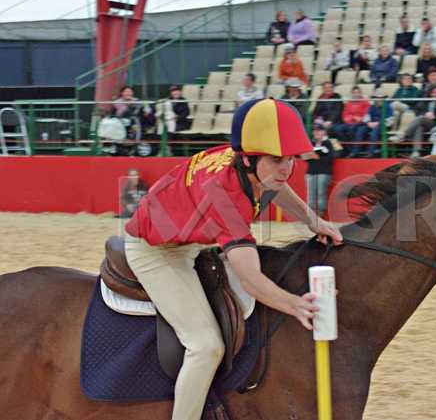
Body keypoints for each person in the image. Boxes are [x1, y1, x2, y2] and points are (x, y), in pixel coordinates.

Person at [123, 98, 343, 420]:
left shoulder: (246, 160)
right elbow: (251, 279)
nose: (287, 168)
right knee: (206, 346)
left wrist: (313, 221)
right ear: (249, 158)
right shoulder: (225, 197)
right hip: (155, 252)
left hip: (188, 240)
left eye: (291, 159)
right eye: (277, 159)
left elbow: (276, 185)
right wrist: (296, 305)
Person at [397, 85, 436, 158]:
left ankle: (404, 135)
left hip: (435, 123)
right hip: (424, 122)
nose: (435, 94)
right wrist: (425, 114)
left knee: (421, 118)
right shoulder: (425, 100)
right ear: (430, 93)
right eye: (433, 92)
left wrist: (435, 116)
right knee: (419, 127)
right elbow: (417, 111)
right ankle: (416, 152)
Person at [351, 90, 393, 158]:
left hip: (383, 125)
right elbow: (367, 116)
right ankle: (355, 152)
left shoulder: (388, 107)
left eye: (381, 98)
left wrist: (379, 123)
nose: (379, 99)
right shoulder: (372, 106)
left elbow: (390, 121)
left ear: (384, 98)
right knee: (360, 130)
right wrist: (368, 122)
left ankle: (370, 153)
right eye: (377, 98)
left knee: (374, 132)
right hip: (371, 124)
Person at [305, 123, 335, 217]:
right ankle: (310, 216)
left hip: (324, 172)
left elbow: (331, 158)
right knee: (310, 194)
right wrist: (315, 156)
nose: (316, 133)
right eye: (315, 131)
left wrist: (317, 157)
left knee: (321, 193)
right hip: (311, 171)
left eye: (319, 131)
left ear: (324, 132)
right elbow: (306, 158)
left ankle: (320, 215)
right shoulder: (310, 143)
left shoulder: (330, 142)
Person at [331, 86, 370, 156]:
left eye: (358, 92)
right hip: (349, 123)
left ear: (361, 93)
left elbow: (366, 115)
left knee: (358, 131)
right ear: (352, 94)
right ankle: (345, 149)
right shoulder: (348, 103)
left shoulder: (365, 103)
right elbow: (344, 116)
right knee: (336, 129)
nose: (356, 94)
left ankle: (353, 152)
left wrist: (357, 119)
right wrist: (352, 118)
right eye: (354, 93)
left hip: (361, 124)